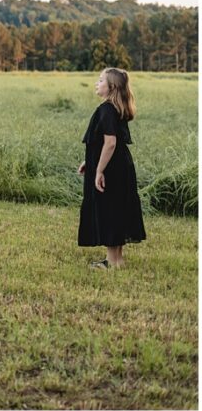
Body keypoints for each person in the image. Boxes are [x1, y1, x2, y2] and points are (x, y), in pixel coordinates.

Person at [78, 67, 146, 267]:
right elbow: (104, 143)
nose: (96, 84)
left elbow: (110, 143)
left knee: (108, 209)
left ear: (111, 87)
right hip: (120, 165)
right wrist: (89, 163)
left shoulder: (106, 109)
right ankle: (116, 259)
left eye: (100, 81)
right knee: (117, 208)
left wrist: (98, 170)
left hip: (111, 169)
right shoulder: (117, 109)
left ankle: (112, 261)